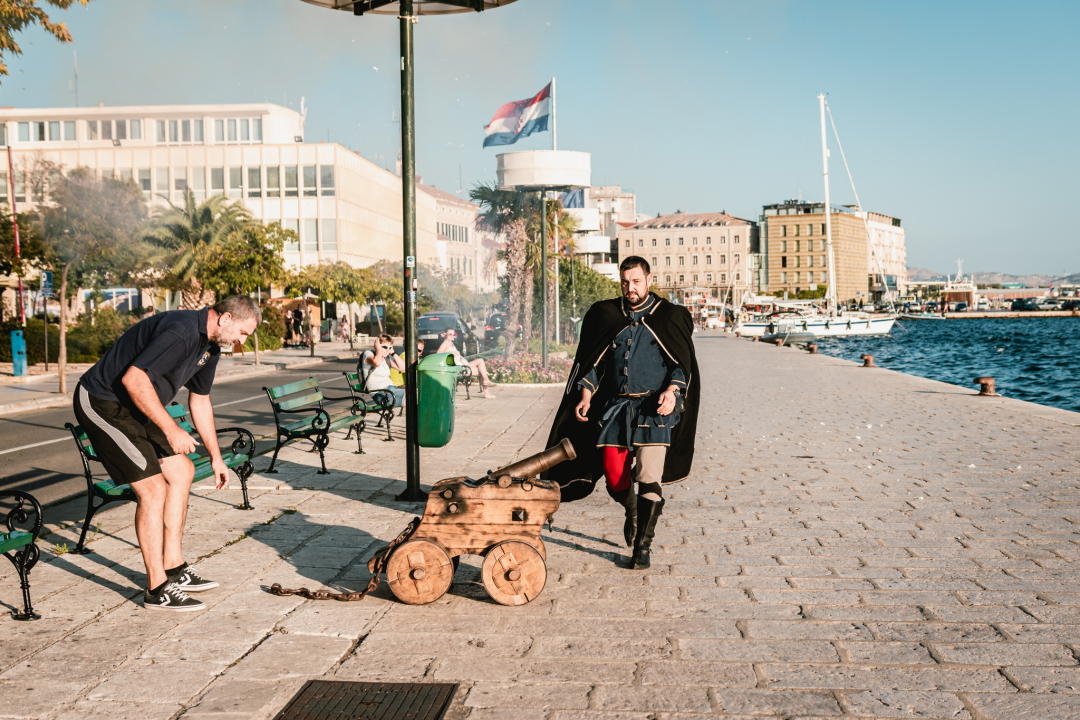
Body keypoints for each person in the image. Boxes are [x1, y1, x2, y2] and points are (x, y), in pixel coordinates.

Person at [72, 296, 260, 611]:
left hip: (137, 404)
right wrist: (172, 430)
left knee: (183, 471)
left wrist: (216, 456)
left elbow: (200, 401)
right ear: (225, 318)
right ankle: (156, 588)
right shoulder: (182, 331)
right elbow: (134, 379)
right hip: (103, 401)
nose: (242, 341)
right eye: (242, 332)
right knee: (153, 489)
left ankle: (173, 567)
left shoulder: (210, 347)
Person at [544, 256, 700, 570]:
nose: (631, 288)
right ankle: (631, 510)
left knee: (647, 475)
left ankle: (642, 547)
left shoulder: (667, 317)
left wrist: (672, 392)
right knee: (615, 477)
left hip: (654, 410)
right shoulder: (608, 315)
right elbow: (595, 364)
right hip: (616, 408)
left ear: (649, 279)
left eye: (637, 281)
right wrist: (586, 392)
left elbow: (679, 366)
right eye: (626, 282)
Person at [436, 329, 496, 399]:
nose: (452, 336)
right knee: (481, 370)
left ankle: (486, 381)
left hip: (462, 364)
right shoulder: (445, 344)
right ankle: (486, 391)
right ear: (445, 335)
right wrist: (450, 351)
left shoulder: (451, 344)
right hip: (459, 368)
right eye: (450, 334)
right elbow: (438, 353)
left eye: (453, 334)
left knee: (480, 360)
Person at [361, 334, 406, 406]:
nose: (387, 350)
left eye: (390, 347)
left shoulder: (387, 358)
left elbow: (403, 367)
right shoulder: (368, 354)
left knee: (418, 393)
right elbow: (377, 363)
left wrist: (393, 353)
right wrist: (378, 349)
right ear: (377, 345)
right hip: (380, 394)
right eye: (385, 347)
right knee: (413, 397)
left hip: (391, 389)